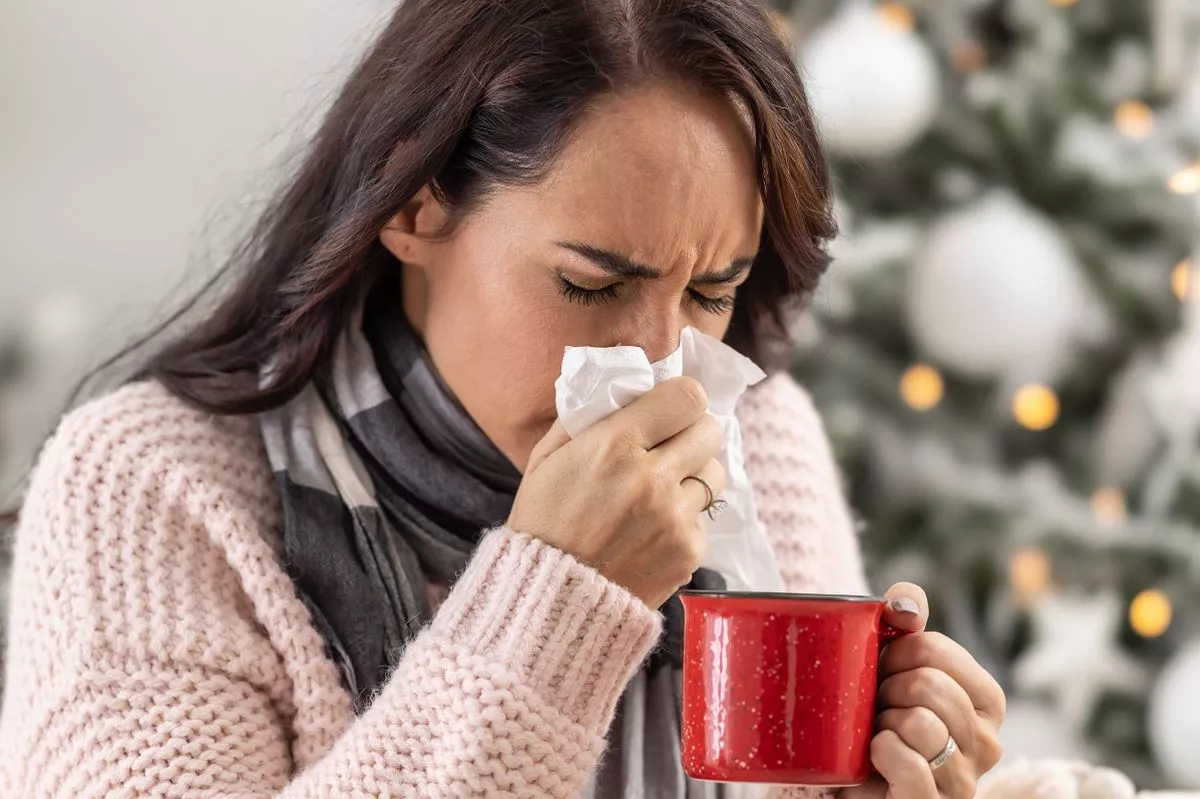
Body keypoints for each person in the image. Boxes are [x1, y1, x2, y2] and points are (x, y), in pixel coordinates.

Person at [0, 0, 1005, 796]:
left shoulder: (761, 440)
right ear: (411, 199)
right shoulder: (152, 490)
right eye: (593, 284)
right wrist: (550, 602)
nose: (662, 365)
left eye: (710, 293)